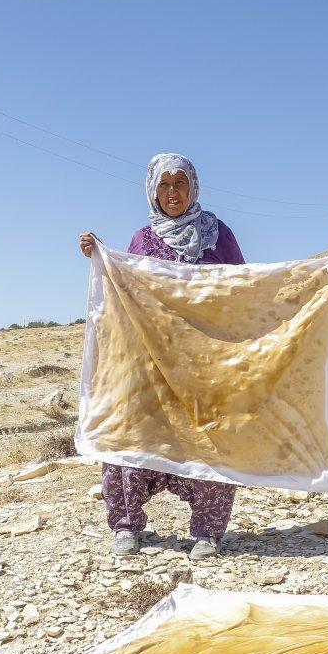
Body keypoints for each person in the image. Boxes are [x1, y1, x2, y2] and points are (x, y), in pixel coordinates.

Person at [79, 153, 246, 560]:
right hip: (151, 362)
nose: (173, 193)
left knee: (208, 440)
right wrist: (101, 258)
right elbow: (127, 291)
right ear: (153, 191)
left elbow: (243, 287)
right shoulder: (141, 239)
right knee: (131, 433)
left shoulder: (218, 235)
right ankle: (126, 524)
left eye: (180, 184)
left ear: (193, 187)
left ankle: (208, 531)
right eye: (164, 185)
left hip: (202, 362)